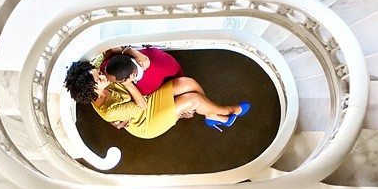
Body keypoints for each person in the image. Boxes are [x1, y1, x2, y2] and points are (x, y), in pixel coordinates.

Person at [64, 50, 250, 139]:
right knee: (191, 99)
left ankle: (210, 115)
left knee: (188, 83)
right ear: (92, 91)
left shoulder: (100, 78)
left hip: (144, 99)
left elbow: (108, 48)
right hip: (146, 120)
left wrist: (135, 55)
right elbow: (142, 107)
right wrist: (128, 83)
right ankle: (228, 111)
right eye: (98, 79)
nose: (101, 74)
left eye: (97, 72)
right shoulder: (109, 110)